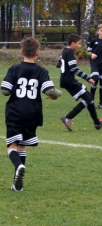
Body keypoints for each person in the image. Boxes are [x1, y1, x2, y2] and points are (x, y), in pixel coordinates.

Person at [1, 37, 62, 192]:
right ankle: (17, 184)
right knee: (22, 145)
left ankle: (18, 166)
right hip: (33, 112)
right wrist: (57, 94)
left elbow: (5, 91)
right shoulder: (42, 71)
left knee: (12, 145)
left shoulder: (14, 69)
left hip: (15, 111)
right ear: (37, 53)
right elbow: (50, 91)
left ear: (21, 52)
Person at [59, 33, 102, 131]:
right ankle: (68, 117)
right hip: (69, 80)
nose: (79, 45)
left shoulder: (64, 51)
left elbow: (58, 64)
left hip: (66, 80)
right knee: (88, 98)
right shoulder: (69, 52)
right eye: (78, 43)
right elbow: (74, 69)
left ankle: (97, 122)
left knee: (89, 97)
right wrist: (88, 78)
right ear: (73, 43)